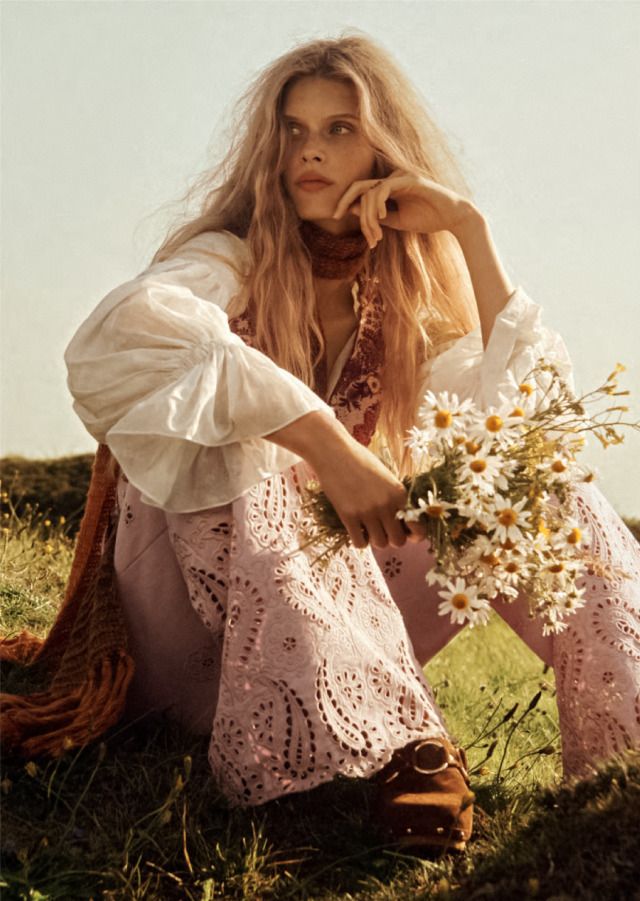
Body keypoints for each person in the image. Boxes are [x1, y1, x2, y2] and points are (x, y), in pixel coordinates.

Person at [5, 32, 639, 855]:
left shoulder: (404, 302)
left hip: (335, 627)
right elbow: (122, 336)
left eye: (340, 129)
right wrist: (328, 444)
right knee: (256, 441)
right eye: (294, 131)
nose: (311, 151)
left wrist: (469, 230)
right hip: (194, 626)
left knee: (542, 490)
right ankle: (398, 749)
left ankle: (623, 766)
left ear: (384, 147)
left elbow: (525, 422)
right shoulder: (224, 259)